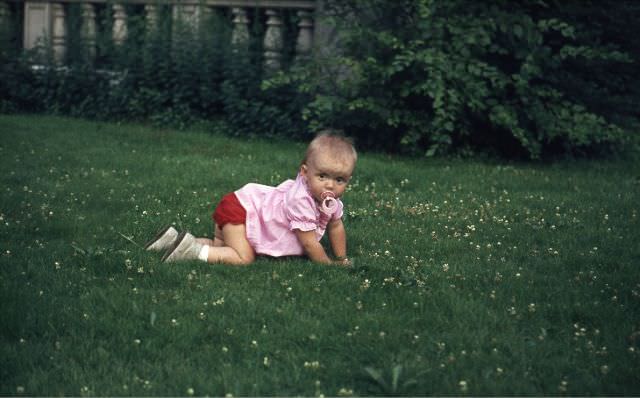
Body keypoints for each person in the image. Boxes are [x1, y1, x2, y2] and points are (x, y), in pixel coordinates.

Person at [145, 131, 357, 266]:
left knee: (221, 249)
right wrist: (328, 264)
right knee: (242, 258)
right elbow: (310, 244)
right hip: (241, 212)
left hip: (242, 207)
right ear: (304, 172)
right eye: (322, 176)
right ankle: (191, 252)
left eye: (340, 180)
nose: (330, 185)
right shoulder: (300, 200)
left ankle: (171, 241)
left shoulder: (330, 202)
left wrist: (341, 257)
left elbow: (335, 225)